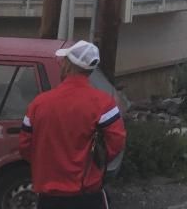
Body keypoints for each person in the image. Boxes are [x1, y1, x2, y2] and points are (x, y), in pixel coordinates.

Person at [19, 41, 127, 208]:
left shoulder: (39, 103)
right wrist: (94, 165)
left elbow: (25, 146)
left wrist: (45, 164)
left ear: (68, 66)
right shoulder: (103, 103)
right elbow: (116, 142)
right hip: (87, 193)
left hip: (49, 196)